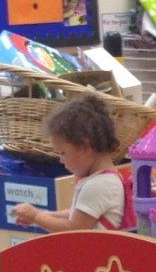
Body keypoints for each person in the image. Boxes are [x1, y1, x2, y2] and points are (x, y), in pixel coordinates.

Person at [11, 96, 135, 232]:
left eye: (63, 153)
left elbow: (74, 229)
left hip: (95, 252)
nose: (61, 160)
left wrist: (36, 216)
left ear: (85, 148)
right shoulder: (104, 179)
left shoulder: (98, 185)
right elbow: (75, 214)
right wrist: (44, 215)